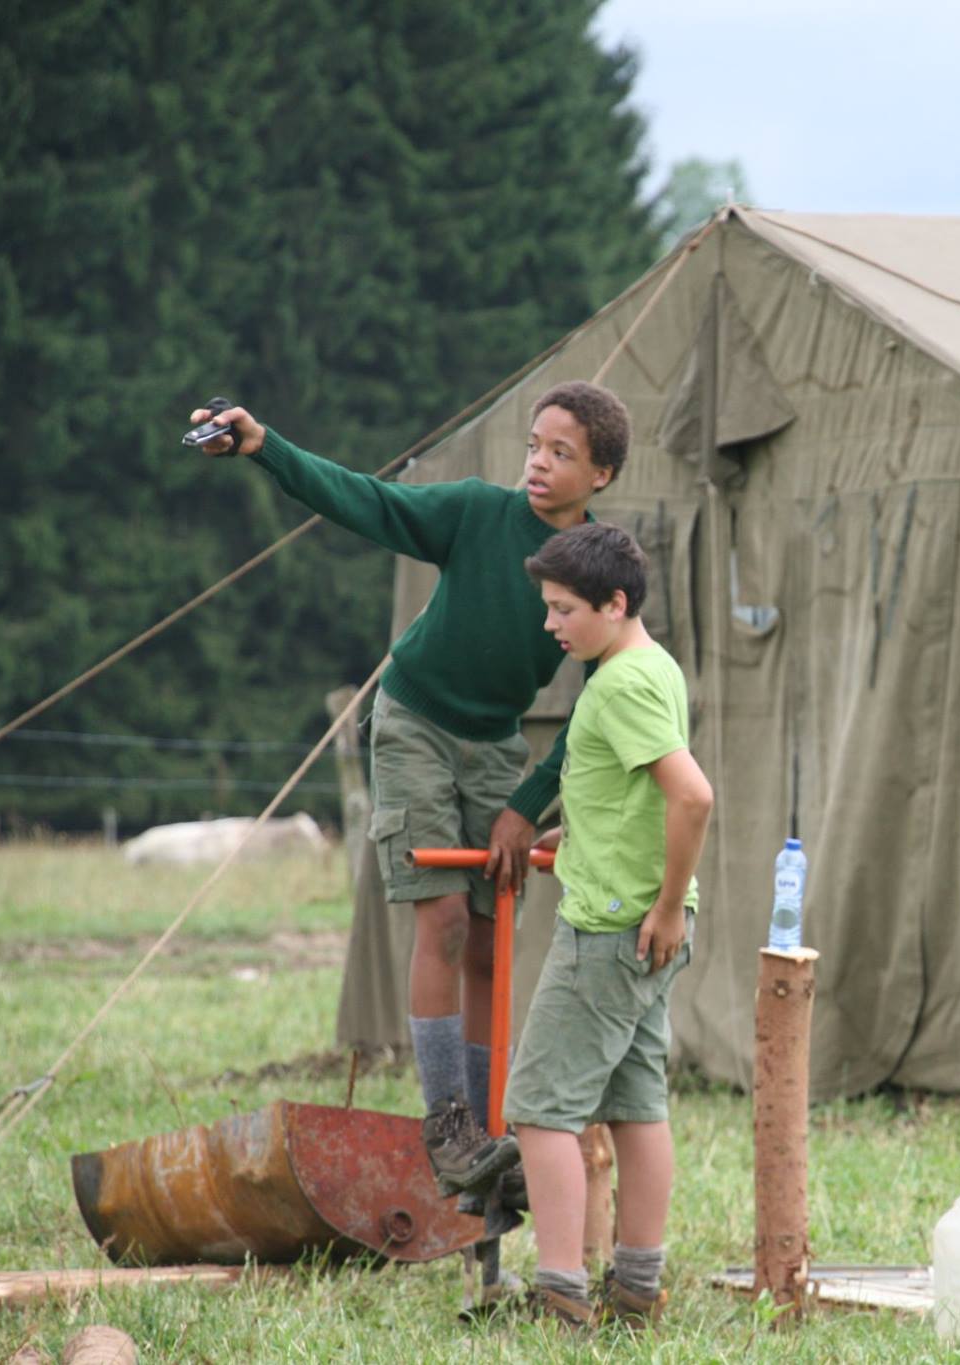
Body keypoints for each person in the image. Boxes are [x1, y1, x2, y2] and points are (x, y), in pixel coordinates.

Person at [186, 384, 629, 1194]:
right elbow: (369, 501)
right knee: (447, 917)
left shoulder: (598, 569)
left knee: (492, 936)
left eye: (561, 453)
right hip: (416, 720)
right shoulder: (478, 513)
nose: (538, 462)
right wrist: (264, 446)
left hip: (498, 745)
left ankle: (491, 1130)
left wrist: (525, 804)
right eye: (534, 444)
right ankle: (448, 1125)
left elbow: (604, 707)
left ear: (601, 474)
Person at [505, 522, 711, 1330]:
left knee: (540, 1110)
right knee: (635, 1104)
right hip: (645, 927)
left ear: (614, 603)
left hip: (612, 931)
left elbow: (691, 795)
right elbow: (636, 793)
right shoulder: (654, 665)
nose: (550, 623)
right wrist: (578, 835)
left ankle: (561, 1295)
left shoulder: (619, 685)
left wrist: (663, 903)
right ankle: (636, 1289)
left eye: (564, 609)